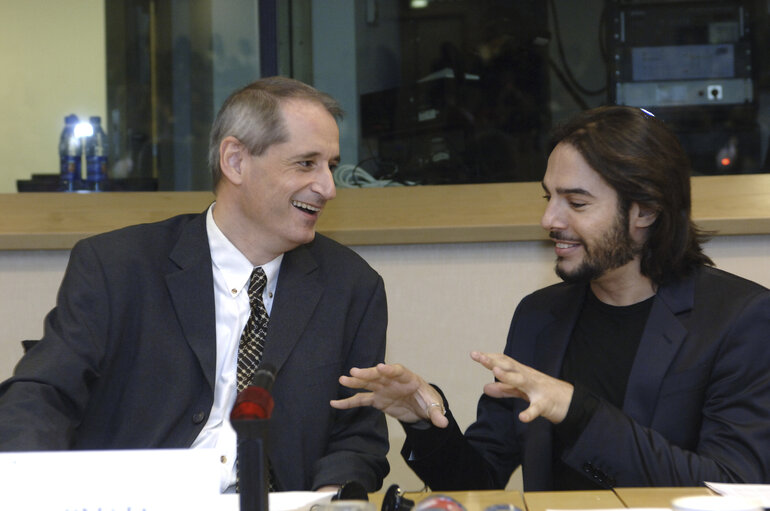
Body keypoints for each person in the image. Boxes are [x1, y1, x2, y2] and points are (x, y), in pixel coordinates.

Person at [331, 106, 770, 490]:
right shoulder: (540, 315)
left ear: (646, 210)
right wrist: (426, 422)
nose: (548, 219)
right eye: (549, 197)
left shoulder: (739, 318)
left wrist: (576, 410)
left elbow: (733, 487)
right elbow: (482, 478)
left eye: (576, 203)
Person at [0, 76, 389, 493]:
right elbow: (40, 396)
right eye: (306, 163)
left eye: (330, 166)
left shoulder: (352, 288)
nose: (328, 188)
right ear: (235, 161)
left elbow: (357, 437)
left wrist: (330, 500)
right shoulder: (118, 267)